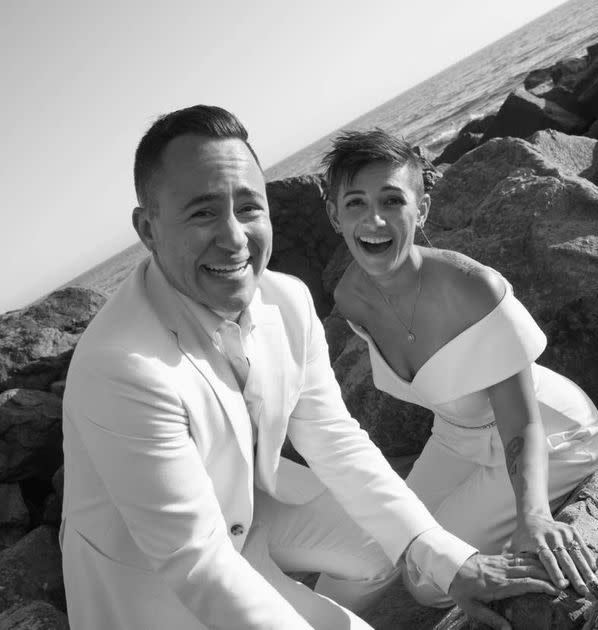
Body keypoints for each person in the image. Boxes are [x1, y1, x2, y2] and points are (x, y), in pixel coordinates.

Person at [61, 106, 558, 630]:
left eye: (249, 207)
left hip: (252, 509)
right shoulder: (121, 367)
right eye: (202, 213)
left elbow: (334, 438)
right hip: (157, 580)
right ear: (148, 228)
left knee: (388, 552)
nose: (234, 238)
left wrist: (452, 563)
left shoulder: (289, 300)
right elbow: (198, 564)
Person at [322, 128, 598, 607]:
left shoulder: (472, 288)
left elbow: (522, 421)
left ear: (422, 209)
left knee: (430, 582)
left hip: (550, 433)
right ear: (335, 215)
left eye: (392, 200)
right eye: (355, 203)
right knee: (355, 558)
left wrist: (532, 515)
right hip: (454, 435)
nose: (373, 219)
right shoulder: (351, 300)